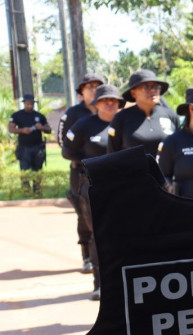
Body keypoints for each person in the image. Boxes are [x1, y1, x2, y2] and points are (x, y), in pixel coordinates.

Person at [61, 84, 123, 300]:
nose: (109, 103)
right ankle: (99, 283)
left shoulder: (122, 123)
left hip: (121, 186)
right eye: (105, 100)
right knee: (98, 233)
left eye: (114, 100)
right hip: (91, 184)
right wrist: (90, 163)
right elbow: (67, 151)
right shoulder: (83, 125)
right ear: (96, 104)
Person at [57, 73, 104, 273]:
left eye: (97, 86)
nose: (93, 90)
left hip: (105, 173)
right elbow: (63, 142)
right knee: (84, 215)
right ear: (81, 92)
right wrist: (84, 159)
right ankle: (87, 256)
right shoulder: (73, 114)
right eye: (89, 87)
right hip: (80, 173)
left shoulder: (108, 110)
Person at [108, 70, 177, 157]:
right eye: (147, 87)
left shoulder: (171, 116)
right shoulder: (121, 118)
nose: (152, 90)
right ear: (133, 93)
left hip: (165, 170)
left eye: (156, 87)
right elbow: (112, 155)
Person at [8, 93, 51, 193]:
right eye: (27, 103)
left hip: (38, 147)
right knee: (25, 170)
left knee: (38, 169)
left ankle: (37, 190)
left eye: (31, 103)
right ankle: (26, 191)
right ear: (24, 103)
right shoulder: (17, 115)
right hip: (24, 148)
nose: (29, 105)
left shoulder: (39, 116)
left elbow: (49, 129)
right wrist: (22, 130)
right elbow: (11, 128)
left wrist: (42, 128)